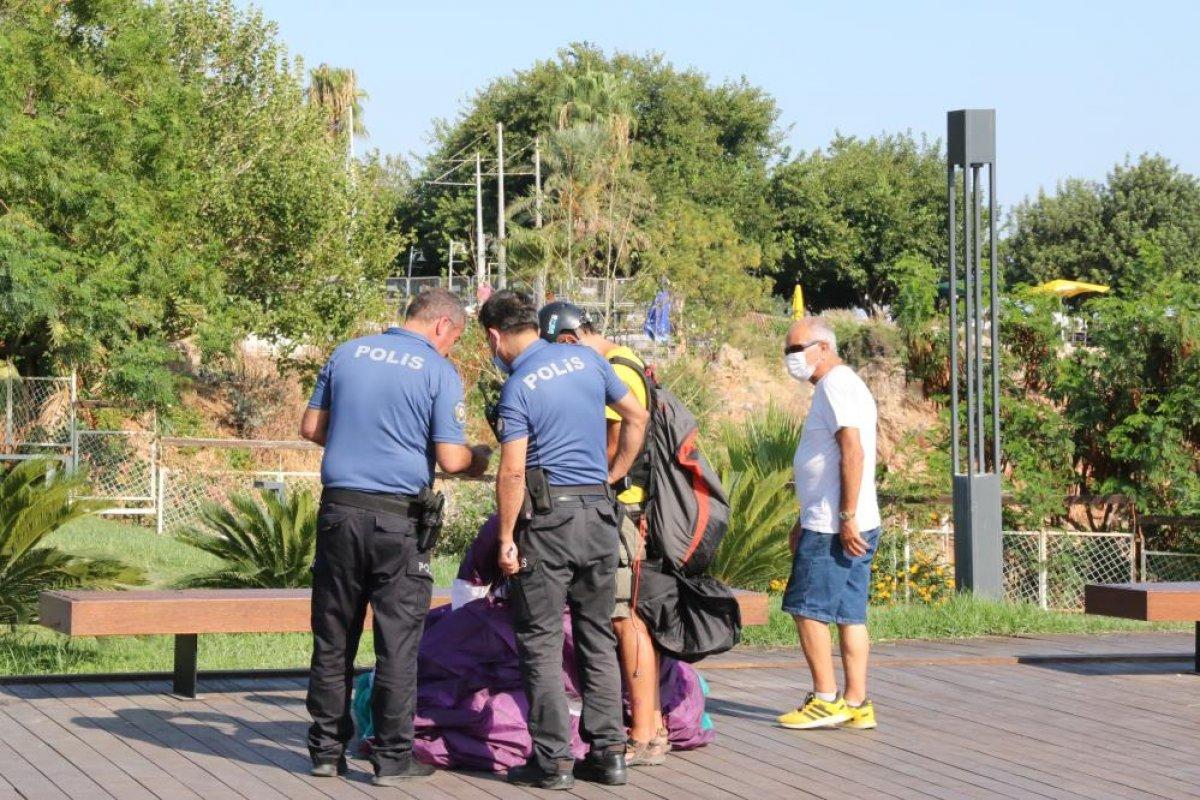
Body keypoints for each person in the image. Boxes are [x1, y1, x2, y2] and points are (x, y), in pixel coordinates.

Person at [299, 288, 491, 785]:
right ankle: (391, 758)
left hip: (339, 513)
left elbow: (311, 427)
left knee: (333, 637)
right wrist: (481, 459)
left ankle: (324, 751)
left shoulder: (347, 353)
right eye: (454, 340)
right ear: (443, 326)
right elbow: (450, 459)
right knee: (397, 643)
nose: (450, 349)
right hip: (397, 522)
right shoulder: (437, 371)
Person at [479, 290, 649, 790]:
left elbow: (513, 472)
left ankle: (553, 761)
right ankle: (610, 754)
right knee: (597, 633)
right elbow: (636, 417)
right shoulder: (587, 361)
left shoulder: (518, 387)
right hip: (599, 514)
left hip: (548, 523)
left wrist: (507, 537)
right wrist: (613, 476)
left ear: (495, 336)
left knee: (542, 639)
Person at [537, 300, 668, 766]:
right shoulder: (609, 363)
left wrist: (607, 481)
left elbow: (619, 436)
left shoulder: (613, 369)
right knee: (616, 618)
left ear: (569, 341)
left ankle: (645, 734)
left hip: (620, 511)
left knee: (622, 618)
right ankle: (648, 722)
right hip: (614, 510)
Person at [776, 316, 882, 731]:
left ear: (823, 347)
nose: (790, 359)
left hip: (835, 526)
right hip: (838, 520)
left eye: (796, 349)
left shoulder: (836, 384)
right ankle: (857, 701)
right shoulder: (843, 384)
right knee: (850, 615)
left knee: (808, 610)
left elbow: (851, 450)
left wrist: (844, 516)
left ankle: (825, 698)